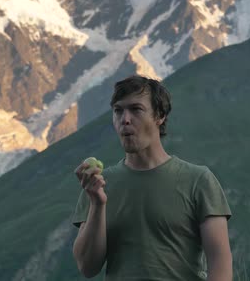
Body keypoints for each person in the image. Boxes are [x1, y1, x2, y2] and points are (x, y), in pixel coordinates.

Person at [71, 75, 233, 280]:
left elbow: (220, 263)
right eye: (118, 110)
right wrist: (97, 203)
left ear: (160, 116)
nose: (125, 119)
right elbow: (87, 267)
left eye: (136, 109)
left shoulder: (198, 180)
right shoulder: (98, 186)